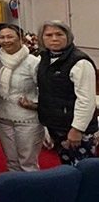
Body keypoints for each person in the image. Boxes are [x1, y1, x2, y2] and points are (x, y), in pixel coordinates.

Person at [37, 20, 97, 165]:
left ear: (68, 36)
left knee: (84, 169)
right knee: (67, 169)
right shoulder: (44, 59)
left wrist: (77, 129)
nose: (54, 39)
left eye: (59, 34)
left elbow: (86, 100)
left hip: (76, 129)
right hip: (56, 126)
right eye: (49, 35)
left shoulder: (80, 62)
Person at [0, 24, 44, 172]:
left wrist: (35, 105)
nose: (6, 41)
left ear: (21, 38)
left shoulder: (32, 62)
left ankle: (32, 187)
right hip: (2, 117)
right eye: (2, 37)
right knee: (12, 162)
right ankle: (17, 187)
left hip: (27, 119)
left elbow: (45, 89)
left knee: (27, 163)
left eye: (10, 36)